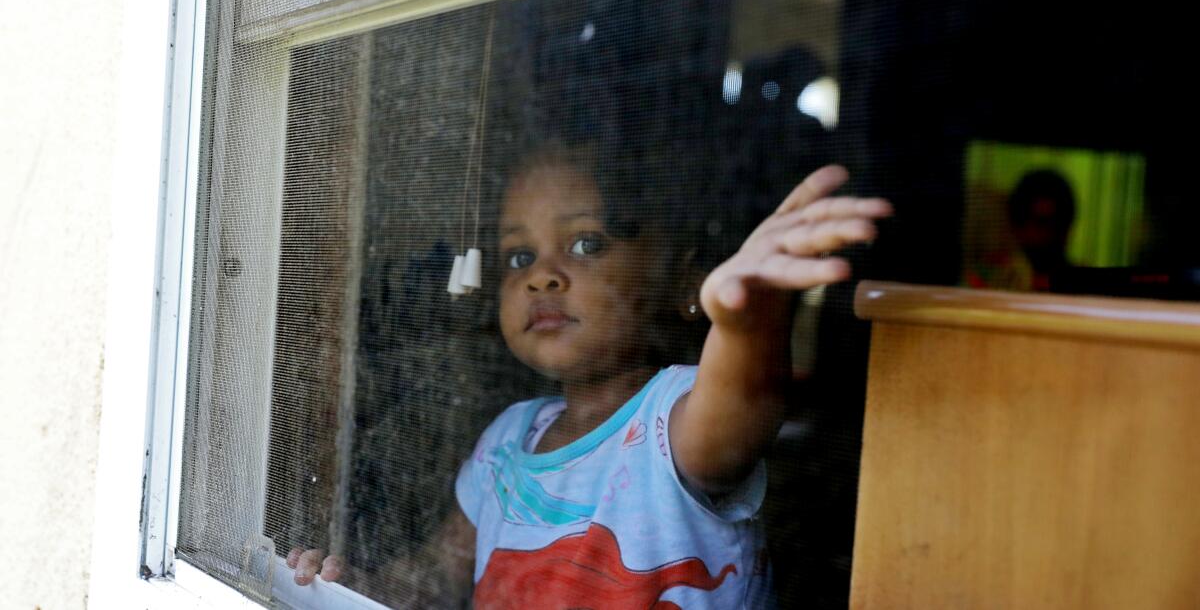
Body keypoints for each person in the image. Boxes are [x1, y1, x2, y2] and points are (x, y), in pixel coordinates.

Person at [290, 144, 892, 608]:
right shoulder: (506, 441)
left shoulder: (671, 417)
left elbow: (739, 408)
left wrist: (746, 321)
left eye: (585, 244)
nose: (541, 276)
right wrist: (351, 588)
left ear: (683, 282)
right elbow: (435, 577)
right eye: (519, 257)